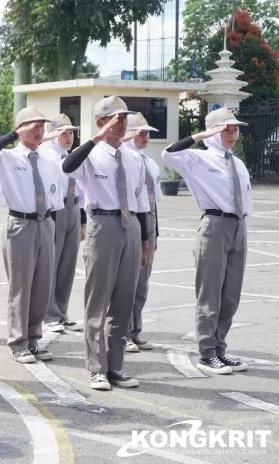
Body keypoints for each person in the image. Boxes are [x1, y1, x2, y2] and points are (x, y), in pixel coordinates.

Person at [61, 96, 150, 391]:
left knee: (124, 299)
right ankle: (97, 368)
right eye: (116, 118)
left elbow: (141, 201)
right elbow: (67, 166)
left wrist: (145, 240)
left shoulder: (133, 156)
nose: (124, 123)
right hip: (103, 222)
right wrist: (95, 138)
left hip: (131, 224)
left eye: (125, 117)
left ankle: (116, 366)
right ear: (101, 122)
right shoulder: (90, 154)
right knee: (98, 299)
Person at [161, 107, 252, 375]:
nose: (232, 134)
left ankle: (220, 349)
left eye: (235, 129)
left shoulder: (237, 162)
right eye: (226, 129)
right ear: (213, 132)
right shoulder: (198, 159)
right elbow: (168, 153)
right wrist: (200, 135)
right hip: (214, 225)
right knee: (210, 293)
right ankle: (207, 352)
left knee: (231, 294)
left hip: (238, 226)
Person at [0, 107, 62, 363]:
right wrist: (12, 134)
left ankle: (34, 338)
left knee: (42, 285)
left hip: (45, 223)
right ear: (20, 128)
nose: (39, 129)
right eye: (33, 125)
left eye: (42, 125)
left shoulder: (49, 160)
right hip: (21, 223)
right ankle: (18, 341)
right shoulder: (8, 158)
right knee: (21, 287)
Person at [39, 114, 85, 333]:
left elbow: (83, 188)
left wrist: (83, 219)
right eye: (64, 133)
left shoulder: (74, 156)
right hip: (56, 211)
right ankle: (49, 315)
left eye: (71, 132)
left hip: (74, 208)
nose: (69, 137)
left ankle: (62, 311)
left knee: (68, 265)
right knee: (52, 264)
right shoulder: (47, 156)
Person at [122, 114, 162, 353]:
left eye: (147, 132)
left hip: (149, 220)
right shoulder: (125, 160)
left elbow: (153, 203)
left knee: (142, 284)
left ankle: (135, 330)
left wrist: (155, 232)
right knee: (127, 282)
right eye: (140, 132)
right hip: (133, 219)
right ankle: (123, 332)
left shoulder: (149, 162)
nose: (145, 136)